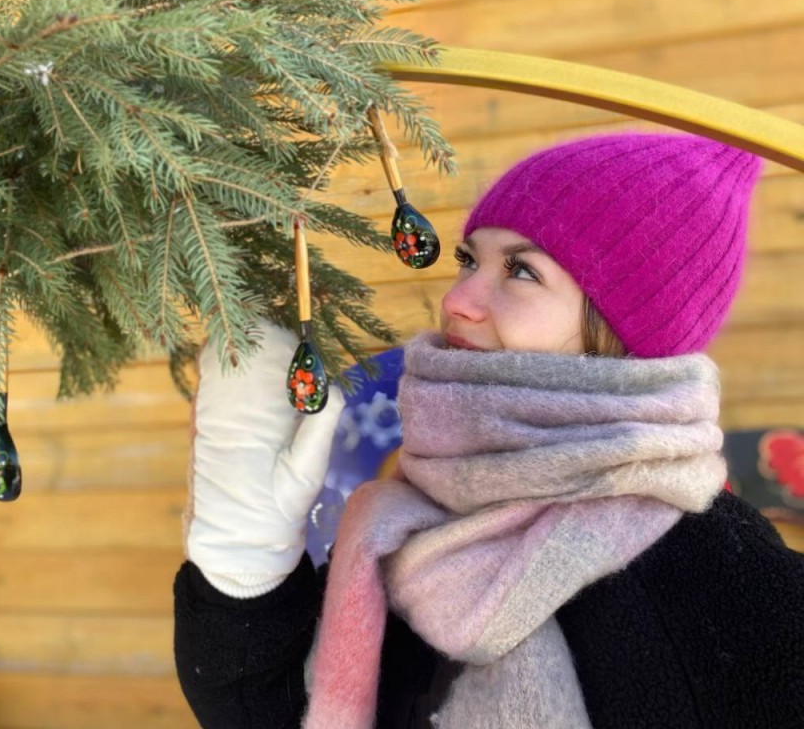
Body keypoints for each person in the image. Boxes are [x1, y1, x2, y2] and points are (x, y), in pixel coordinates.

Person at [174, 133, 804, 728]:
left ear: (618, 333)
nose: (458, 299)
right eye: (468, 260)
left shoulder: (730, 583)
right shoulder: (406, 523)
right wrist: (243, 569)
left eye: (521, 271)